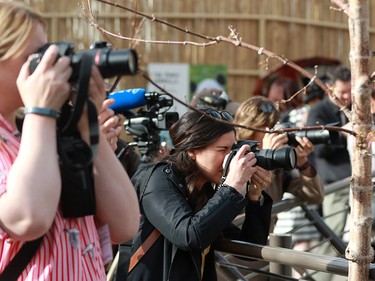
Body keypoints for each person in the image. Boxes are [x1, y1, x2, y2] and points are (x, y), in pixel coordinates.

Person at [0, 2, 140, 280]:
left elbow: (124, 225)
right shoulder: (36, 130)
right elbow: (28, 218)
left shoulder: (35, 135)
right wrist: (40, 111)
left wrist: (86, 123)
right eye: (36, 55)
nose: (50, 64)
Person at [126, 108, 273, 281]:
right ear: (192, 150)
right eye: (222, 149)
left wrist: (255, 197)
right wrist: (231, 187)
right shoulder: (158, 179)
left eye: (233, 149)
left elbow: (250, 249)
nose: (230, 158)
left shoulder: (204, 190)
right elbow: (188, 236)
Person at [305, 65, 352, 281]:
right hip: (334, 184)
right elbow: (318, 147)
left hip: (355, 183)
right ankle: (319, 277)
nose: (347, 96)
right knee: (332, 237)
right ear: (330, 89)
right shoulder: (319, 111)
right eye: (343, 92)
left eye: (350, 91)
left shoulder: (354, 107)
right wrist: (345, 135)